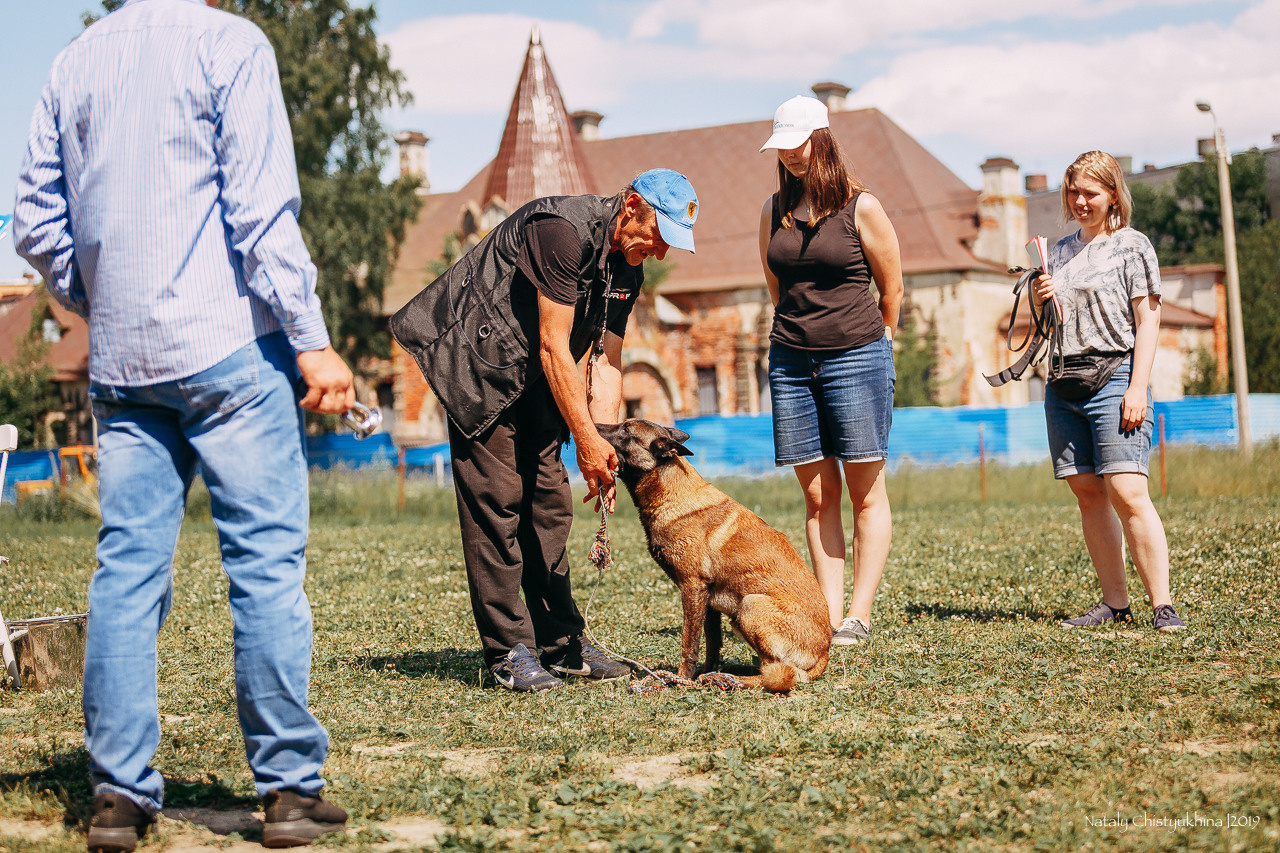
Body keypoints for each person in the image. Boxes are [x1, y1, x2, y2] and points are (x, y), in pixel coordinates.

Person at [14, 1, 355, 849]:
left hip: (126, 362)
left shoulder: (74, 62)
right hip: (231, 346)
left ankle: (118, 798)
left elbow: (33, 221)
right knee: (265, 568)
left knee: (126, 574)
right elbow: (261, 212)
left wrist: (101, 298)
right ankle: (287, 789)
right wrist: (313, 345)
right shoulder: (231, 43)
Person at [391, 169, 699, 691]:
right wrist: (583, 439)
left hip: (534, 376)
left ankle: (563, 645)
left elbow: (606, 361)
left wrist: (605, 443)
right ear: (630, 208)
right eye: (660, 235)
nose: (662, 252)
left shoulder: (627, 266)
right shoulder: (561, 231)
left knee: (550, 499)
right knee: (498, 499)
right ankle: (509, 651)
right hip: (477, 364)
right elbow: (556, 346)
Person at [757, 96, 903, 646]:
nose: (791, 156)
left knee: (866, 491)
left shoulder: (861, 207)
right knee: (818, 498)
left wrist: (881, 340)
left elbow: (892, 287)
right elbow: (776, 285)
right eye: (783, 147)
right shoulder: (771, 210)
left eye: (799, 144)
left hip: (857, 357)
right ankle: (828, 613)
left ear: (821, 139)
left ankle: (858, 615)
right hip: (791, 362)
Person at [1033, 151, 1185, 632]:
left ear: (1113, 194)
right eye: (1073, 192)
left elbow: (1149, 318)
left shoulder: (1134, 247)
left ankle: (1162, 605)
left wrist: (1137, 386)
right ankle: (1115, 603)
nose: (1080, 201)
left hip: (1115, 375)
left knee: (1127, 490)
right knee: (1087, 492)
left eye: (1090, 193)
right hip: (1064, 381)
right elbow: (1058, 322)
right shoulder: (1058, 252)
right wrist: (1043, 301)